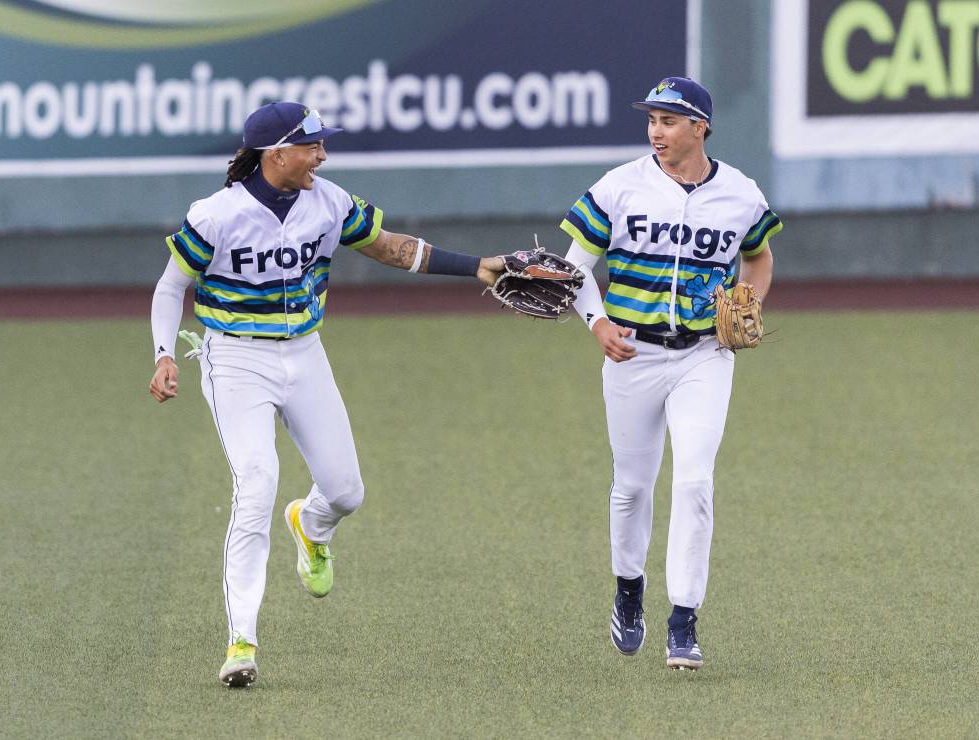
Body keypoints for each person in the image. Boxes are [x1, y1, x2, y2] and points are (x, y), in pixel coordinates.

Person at [147, 102, 503, 688]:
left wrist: (477, 267)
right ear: (276, 154)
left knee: (345, 491)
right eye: (312, 145)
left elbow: (391, 247)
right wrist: (164, 353)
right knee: (256, 481)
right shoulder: (216, 215)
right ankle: (242, 640)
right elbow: (171, 286)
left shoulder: (328, 202)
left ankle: (311, 526)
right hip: (235, 358)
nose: (322, 155)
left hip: (305, 353)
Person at [558, 77, 781, 669]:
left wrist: (751, 301)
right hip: (632, 353)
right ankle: (628, 589)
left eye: (669, 120)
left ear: (700, 127)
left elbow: (759, 255)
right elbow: (575, 266)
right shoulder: (621, 185)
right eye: (652, 119)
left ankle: (683, 617)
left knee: (694, 481)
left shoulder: (740, 193)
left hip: (704, 355)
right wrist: (596, 323)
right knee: (632, 488)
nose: (656, 130)